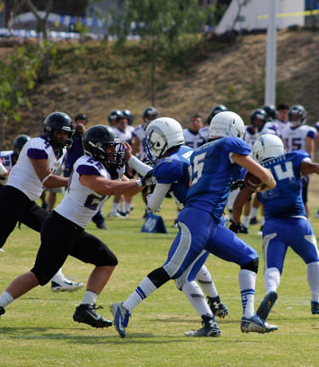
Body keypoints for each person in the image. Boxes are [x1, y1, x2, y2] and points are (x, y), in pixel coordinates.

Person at [111, 111, 278, 338]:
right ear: (234, 131)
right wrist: (267, 180)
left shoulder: (203, 150)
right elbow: (262, 175)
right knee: (174, 270)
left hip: (210, 220)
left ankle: (248, 317)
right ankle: (125, 307)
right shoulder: (225, 146)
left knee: (249, 259)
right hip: (199, 217)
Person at [0, 125, 147, 330]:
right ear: (96, 148)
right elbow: (107, 187)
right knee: (40, 274)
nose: (114, 152)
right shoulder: (86, 164)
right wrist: (143, 180)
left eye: (114, 148)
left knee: (107, 261)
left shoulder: (111, 167)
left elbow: (130, 191)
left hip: (74, 229)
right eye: (109, 147)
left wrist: (134, 164)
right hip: (60, 226)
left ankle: (85, 308)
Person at [125, 117, 230, 337]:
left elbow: (153, 203)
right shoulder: (188, 152)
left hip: (199, 220)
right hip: (214, 215)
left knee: (182, 276)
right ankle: (216, 302)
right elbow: (157, 174)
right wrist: (131, 159)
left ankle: (209, 322)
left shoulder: (170, 163)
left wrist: (145, 188)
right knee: (192, 263)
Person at [231, 134, 319, 320]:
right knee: (313, 259)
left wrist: (236, 223)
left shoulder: (256, 171)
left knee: (273, 266)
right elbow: (316, 167)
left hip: (273, 225)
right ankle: (316, 300)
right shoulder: (295, 157)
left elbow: (239, 203)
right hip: (298, 222)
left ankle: (271, 291)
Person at [0, 112, 83, 292]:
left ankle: (56, 278)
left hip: (27, 200)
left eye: (66, 134)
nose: (63, 137)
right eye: (59, 133)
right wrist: (76, 180)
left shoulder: (60, 150)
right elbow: (47, 180)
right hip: (13, 196)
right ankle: (55, 277)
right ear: (50, 131)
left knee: (54, 230)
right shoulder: (38, 144)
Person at [280, 105, 316, 217]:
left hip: (301, 166)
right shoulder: (285, 130)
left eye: (297, 116)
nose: (295, 118)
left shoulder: (308, 130)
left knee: (303, 198)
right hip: (287, 167)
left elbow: (310, 151)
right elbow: (282, 150)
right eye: (293, 116)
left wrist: (308, 169)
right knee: (287, 197)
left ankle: (307, 224)